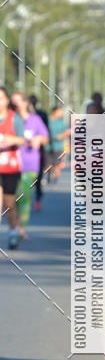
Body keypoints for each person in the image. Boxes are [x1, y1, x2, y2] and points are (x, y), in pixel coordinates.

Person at [11, 92, 49, 239]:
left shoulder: (35, 119)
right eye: (13, 102)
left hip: (30, 164)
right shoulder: (10, 119)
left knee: (23, 195)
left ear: (25, 103)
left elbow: (46, 138)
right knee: (12, 198)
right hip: (12, 164)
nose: (15, 104)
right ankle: (16, 224)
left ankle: (20, 227)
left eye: (18, 101)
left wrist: (38, 138)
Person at [0, 87, 25, 249]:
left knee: (9, 203)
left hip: (10, 167)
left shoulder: (14, 118)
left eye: (1, 98)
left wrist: (11, 139)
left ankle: (13, 230)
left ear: (7, 100)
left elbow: (23, 140)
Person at [28, 95, 49, 210]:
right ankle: (25, 199)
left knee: (38, 178)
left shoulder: (41, 115)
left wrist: (45, 142)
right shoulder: (20, 117)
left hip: (38, 152)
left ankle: (38, 198)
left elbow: (47, 133)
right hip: (23, 154)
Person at [46, 106, 69, 184]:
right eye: (59, 111)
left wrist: (62, 136)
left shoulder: (62, 123)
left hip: (58, 147)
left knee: (56, 164)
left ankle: (55, 179)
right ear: (54, 112)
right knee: (47, 164)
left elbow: (66, 133)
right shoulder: (48, 121)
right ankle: (49, 174)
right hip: (47, 146)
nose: (61, 113)